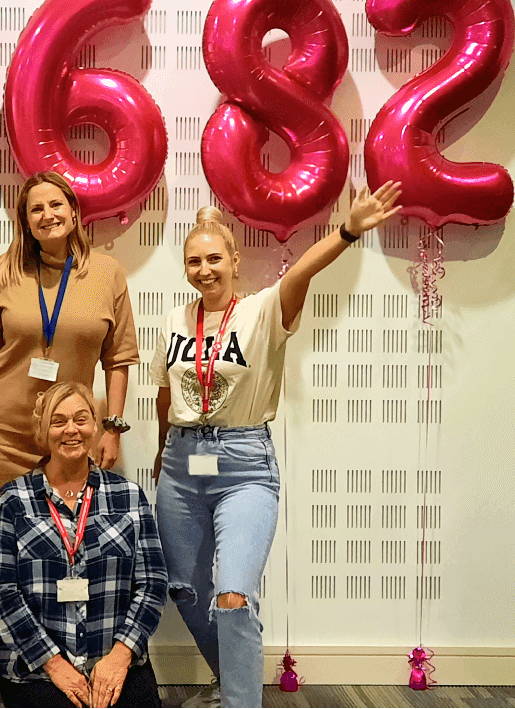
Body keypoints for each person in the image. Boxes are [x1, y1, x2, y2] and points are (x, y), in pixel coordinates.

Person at [156, 184, 402, 709]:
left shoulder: (264, 309)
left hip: (243, 464)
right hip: (180, 465)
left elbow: (302, 272)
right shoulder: (175, 319)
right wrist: (161, 455)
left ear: (235, 260)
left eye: (214, 259)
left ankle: (240, 703)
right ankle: (232, 683)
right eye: (194, 261)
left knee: (233, 595)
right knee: (185, 590)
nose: (205, 270)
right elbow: (165, 394)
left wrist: (349, 231)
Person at [0, 172, 140, 508]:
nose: (47, 215)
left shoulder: (108, 274)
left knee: (67, 547)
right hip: (0, 433)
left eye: (55, 204)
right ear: (26, 222)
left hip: (67, 435)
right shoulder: (5, 271)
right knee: (6, 552)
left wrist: (112, 428)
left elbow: (118, 360)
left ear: (73, 212)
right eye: (36, 209)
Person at [0, 382, 166, 709]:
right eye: (58, 421)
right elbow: (1, 592)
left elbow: (153, 583)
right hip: (35, 668)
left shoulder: (128, 496)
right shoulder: (13, 500)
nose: (71, 429)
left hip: (114, 659)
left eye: (81, 419)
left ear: (96, 427)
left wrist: (119, 657)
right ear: (42, 430)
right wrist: (53, 664)